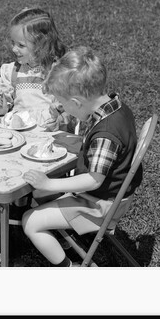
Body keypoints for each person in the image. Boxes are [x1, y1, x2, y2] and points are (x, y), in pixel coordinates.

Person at [21, 46, 143, 266]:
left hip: (100, 205)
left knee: (30, 221)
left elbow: (93, 180)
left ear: (76, 102)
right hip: (113, 196)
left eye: (63, 103)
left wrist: (49, 183)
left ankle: (68, 266)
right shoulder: (117, 107)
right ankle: (65, 236)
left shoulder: (106, 133)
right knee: (39, 194)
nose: (61, 107)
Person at [0, 7, 72, 130]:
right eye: (13, 43)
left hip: (48, 132)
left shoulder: (56, 72)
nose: (14, 49)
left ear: (41, 45)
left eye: (21, 45)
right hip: (19, 132)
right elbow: (3, 110)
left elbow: (69, 110)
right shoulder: (13, 71)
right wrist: (2, 106)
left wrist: (60, 117)